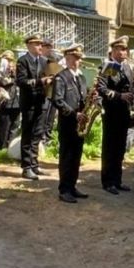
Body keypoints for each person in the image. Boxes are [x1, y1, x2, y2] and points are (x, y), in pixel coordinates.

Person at [96, 36, 134, 195]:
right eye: (119, 49)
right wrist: (120, 96)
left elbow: (131, 85)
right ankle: (108, 181)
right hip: (112, 112)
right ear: (112, 51)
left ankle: (117, 180)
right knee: (110, 148)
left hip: (124, 112)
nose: (123, 52)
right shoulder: (110, 66)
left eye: (125, 49)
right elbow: (103, 89)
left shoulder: (127, 68)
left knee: (120, 148)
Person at [53, 45, 89, 203]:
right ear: (67, 59)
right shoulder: (61, 77)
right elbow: (57, 100)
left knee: (76, 155)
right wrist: (75, 114)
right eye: (74, 58)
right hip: (68, 122)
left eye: (78, 58)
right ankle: (64, 189)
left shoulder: (80, 77)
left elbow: (83, 97)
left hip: (80, 123)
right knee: (66, 156)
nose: (77, 61)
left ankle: (72, 186)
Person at [15, 34, 50, 180]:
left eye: (41, 44)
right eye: (36, 44)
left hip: (41, 102)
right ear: (29, 45)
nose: (40, 47)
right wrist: (39, 81)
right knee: (28, 134)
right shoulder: (23, 60)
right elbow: (21, 81)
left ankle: (34, 164)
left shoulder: (44, 61)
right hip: (29, 102)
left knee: (38, 134)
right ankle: (26, 167)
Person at [0, 51, 20, 154]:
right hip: (5, 103)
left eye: (11, 61)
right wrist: (10, 75)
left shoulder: (16, 73)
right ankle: (1, 150)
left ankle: (10, 150)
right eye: (7, 60)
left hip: (16, 103)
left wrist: (15, 74)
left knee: (14, 127)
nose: (10, 63)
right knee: (4, 127)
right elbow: (3, 82)